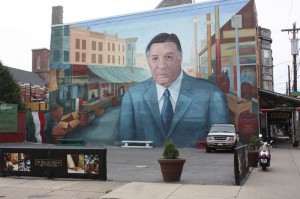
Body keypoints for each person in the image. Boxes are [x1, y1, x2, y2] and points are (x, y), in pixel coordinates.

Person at [118, 33, 229, 147]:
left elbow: (222, 146)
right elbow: (124, 147)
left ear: (180, 58)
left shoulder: (211, 95)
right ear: (148, 61)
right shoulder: (133, 96)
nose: (161, 65)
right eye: (155, 58)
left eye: (168, 57)